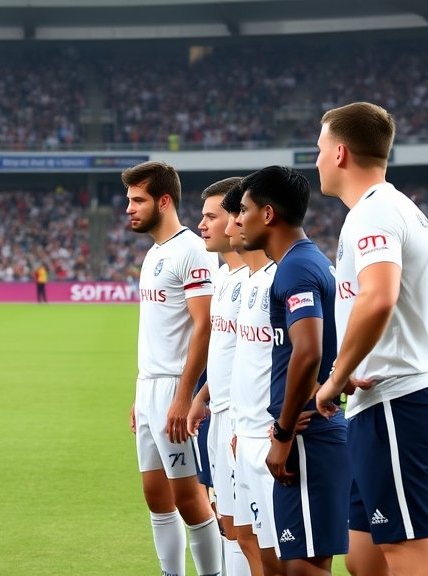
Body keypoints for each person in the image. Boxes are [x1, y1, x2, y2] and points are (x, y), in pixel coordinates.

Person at [313, 102, 428, 576]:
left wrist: (337, 376)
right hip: (396, 405)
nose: (316, 159)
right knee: (364, 559)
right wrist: (412, 358)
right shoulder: (403, 210)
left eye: (319, 148)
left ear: (339, 153)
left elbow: (378, 298)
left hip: (397, 409)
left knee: (411, 563)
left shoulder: (372, 214)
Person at [237, 165, 348, 576]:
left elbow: (308, 351)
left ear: (268, 214)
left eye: (244, 209)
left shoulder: (297, 268)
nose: (239, 219)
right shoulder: (308, 261)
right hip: (312, 431)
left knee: (304, 568)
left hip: (306, 435)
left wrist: (283, 433)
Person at [124, 161, 222, 576]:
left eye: (138, 200)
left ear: (164, 201)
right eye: (129, 200)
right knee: (155, 495)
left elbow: (206, 325)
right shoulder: (154, 253)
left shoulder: (191, 250)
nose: (129, 208)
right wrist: (138, 393)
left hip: (175, 391)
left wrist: (184, 396)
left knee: (188, 497)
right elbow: (155, 330)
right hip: (150, 389)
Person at [188, 177, 251, 575]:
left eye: (212, 216)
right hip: (220, 413)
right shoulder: (225, 279)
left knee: (249, 530)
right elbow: (231, 355)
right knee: (227, 523)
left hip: (247, 422)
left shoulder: (260, 280)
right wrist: (203, 395)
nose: (203, 225)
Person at [222, 181, 283, 576]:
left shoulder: (285, 276)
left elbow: (309, 354)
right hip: (243, 429)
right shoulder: (247, 281)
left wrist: (283, 430)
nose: (233, 225)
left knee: (277, 552)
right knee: (246, 537)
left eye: (237, 214)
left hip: (269, 436)